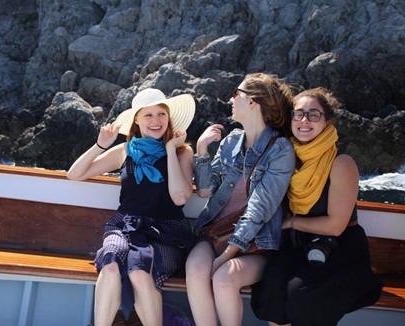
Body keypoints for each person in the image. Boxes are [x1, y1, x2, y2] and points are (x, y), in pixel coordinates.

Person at [250, 87, 383, 326]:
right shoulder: (285, 157)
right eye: (298, 114)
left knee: (302, 297)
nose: (304, 120)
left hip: (340, 249)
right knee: (272, 291)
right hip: (297, 245)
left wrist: (290, 222)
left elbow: (335, 226)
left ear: (327, 121)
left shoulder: (341, 163)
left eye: (313, 114)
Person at [67, 88, 196, 326]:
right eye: (148, 115)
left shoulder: (181, 151)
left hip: (166, 234)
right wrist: (100, 145)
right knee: (112, 262)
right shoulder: (125, 151)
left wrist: (169, 150)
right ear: (136, 119)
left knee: (139, 272)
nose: (156, 121)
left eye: (161, 114)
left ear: (168, 118)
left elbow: (180, 197)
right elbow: (74, 174)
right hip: (125, 227)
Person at [185, 72, 296, 325]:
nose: (230, 99)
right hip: (215, 233)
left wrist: (227, 255)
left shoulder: (280, 151)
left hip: (255, 244)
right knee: (195, 270)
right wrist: (201, 151)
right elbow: (206, 191)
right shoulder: (231, 141)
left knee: (224, 279)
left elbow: (260, 209)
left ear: (253, 102)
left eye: (236, 94)